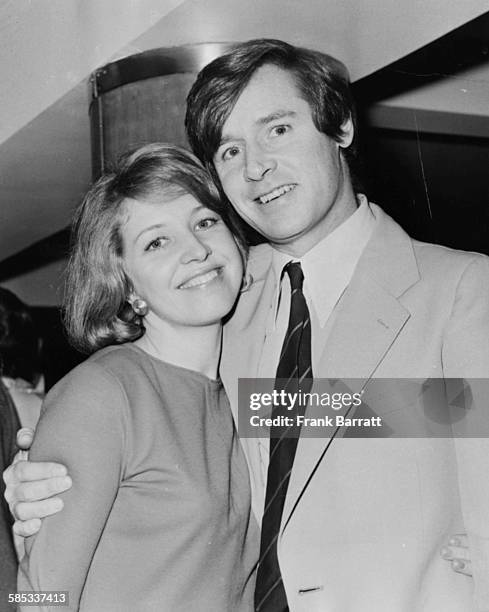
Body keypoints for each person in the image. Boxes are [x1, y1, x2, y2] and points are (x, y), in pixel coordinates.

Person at [5, 39, 489, 611]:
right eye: (229, 151)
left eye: (277, 130)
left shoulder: (460, 290)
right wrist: (55, 476)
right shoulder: (221, 300)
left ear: (341, 128)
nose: (256, 166)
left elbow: (417, 423)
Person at [15, 143, 258, 611]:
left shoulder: (255, 385)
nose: (198, 250)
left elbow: (418, 412)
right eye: (157, 241)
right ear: (124, 282)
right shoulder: (103, 393)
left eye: (205, 221)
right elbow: (38, 597)